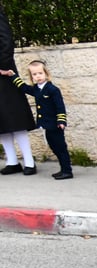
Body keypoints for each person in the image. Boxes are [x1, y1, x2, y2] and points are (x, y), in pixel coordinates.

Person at [1, 60, 71, 179]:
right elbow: (24, 87)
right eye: (34, 74)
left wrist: (61, 121)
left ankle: (67, 171)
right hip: (47, 126)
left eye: (40, 73)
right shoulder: (37, 89)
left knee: (60, 148)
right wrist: (13, 76)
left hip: (55, 125)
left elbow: (60, 106)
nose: (37, 76)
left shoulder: (52, 89)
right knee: (54, 147)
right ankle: (63, 169)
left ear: (46, 74)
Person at [0, 2, 35, 176]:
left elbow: (6, 39)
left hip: (4, 73)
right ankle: (12, 161)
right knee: (1, 122)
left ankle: (29, 161)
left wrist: (3, 66)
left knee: (15, 117)